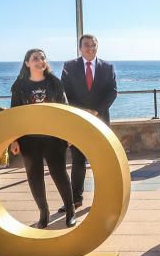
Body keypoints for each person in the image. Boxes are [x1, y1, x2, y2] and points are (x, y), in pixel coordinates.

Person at [10, 48, 77, 229]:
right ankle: (44, 213)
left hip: (53, 137)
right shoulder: (19, 86)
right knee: (34, 176)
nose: (39, 60)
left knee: (59, 174)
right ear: (27, 63)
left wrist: (68, 133)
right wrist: (14, 139)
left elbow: (65, 110)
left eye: (42, 58)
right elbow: (14, 115)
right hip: (29, 139)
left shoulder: (54, 83)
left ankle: (70, 212)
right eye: (35, 58)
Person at [61, 34, 118, 212]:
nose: (90, 48)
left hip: (100, 120)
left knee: (101, 161)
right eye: (86, 45)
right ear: (80, 48)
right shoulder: (69, 66)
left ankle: (104, 198)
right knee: (78, 161)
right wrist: (83, 111)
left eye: (93, 45)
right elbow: (64, 93)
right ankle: (75, 200)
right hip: (78, 121)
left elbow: (112, 92)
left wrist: (96, 111)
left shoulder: (107, 67)